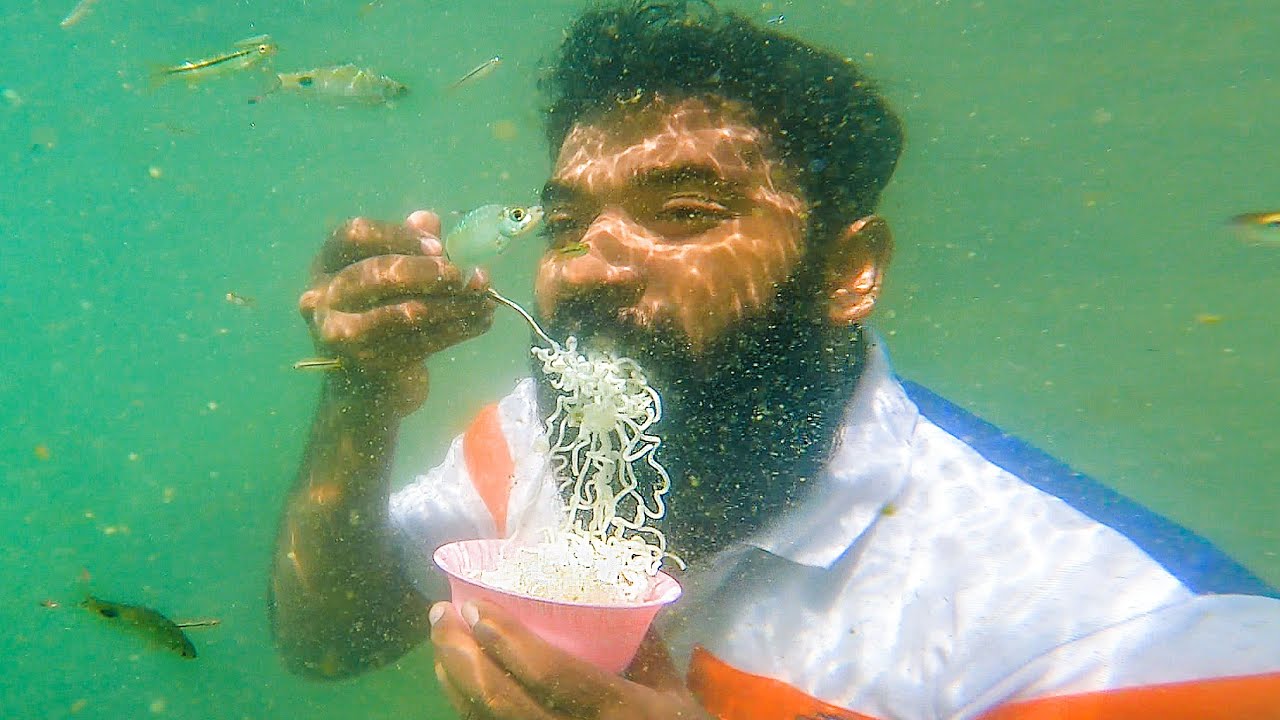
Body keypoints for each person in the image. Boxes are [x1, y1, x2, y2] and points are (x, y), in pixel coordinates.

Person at [270, 2, 1280, 718]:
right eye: (566, 222)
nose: (586, 266)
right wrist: (361, 400)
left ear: (848, 271)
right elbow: (331, 638)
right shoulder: (522, 444)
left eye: (683, 214)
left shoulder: (1112, 640)